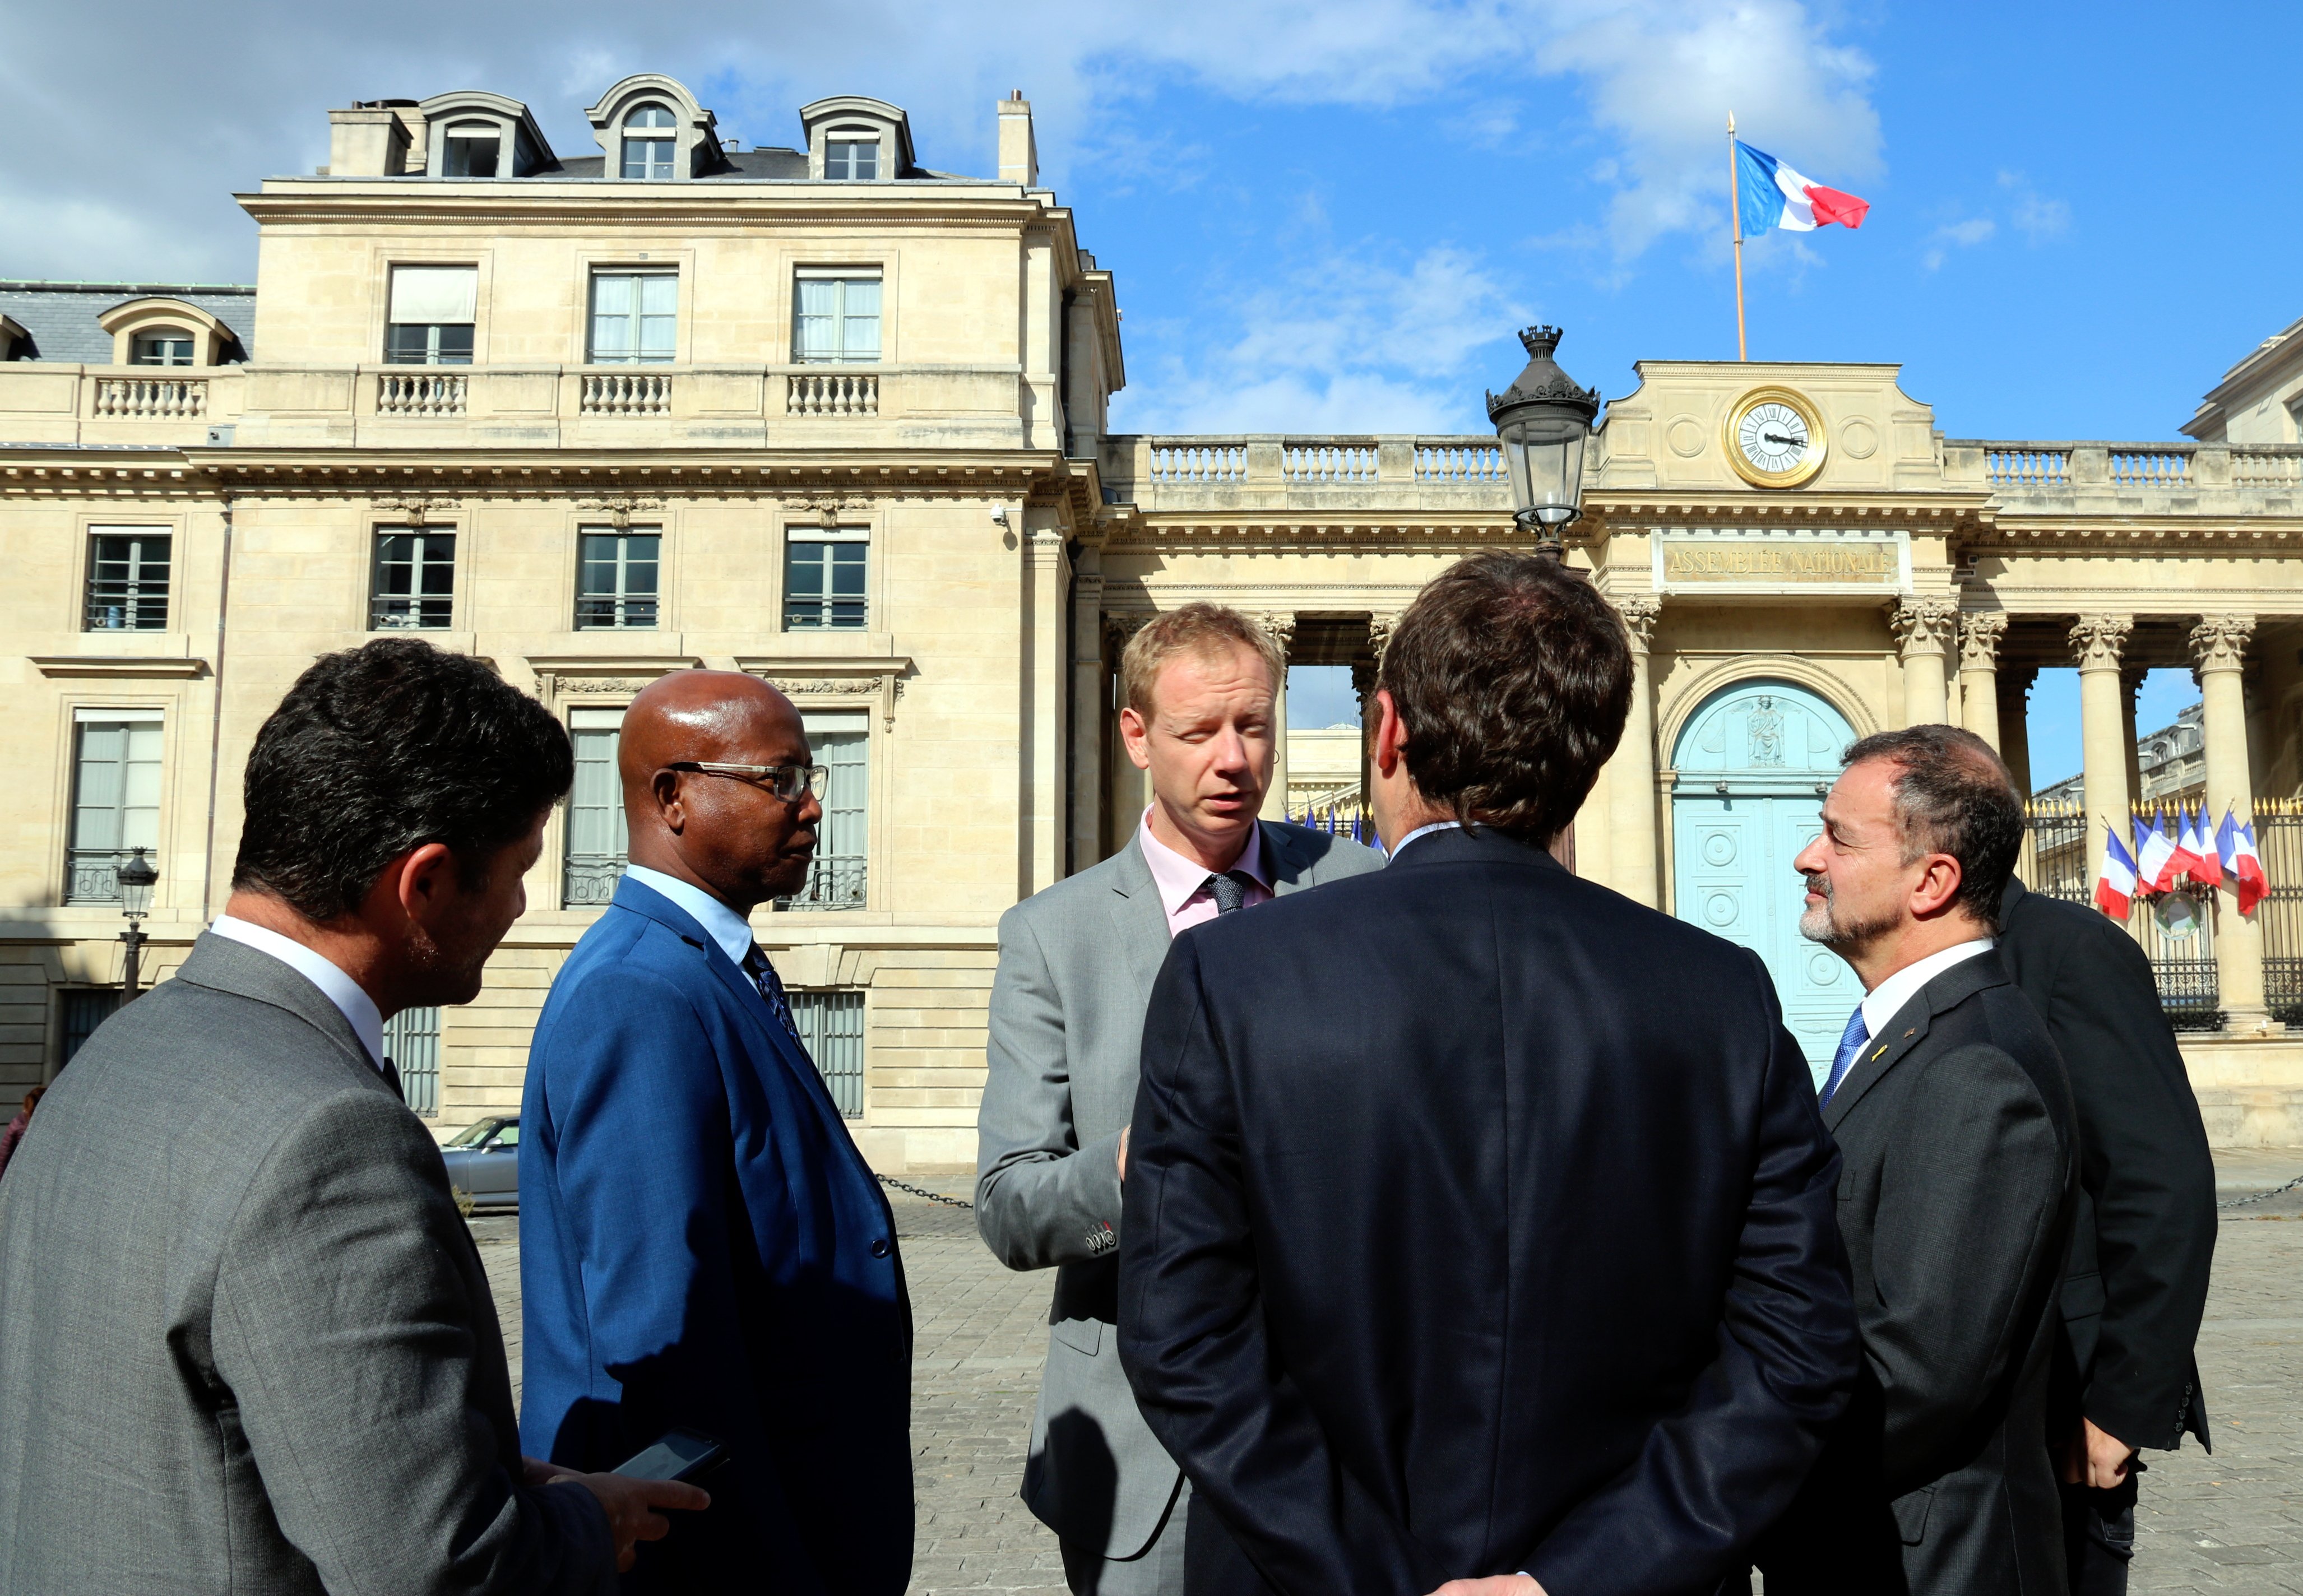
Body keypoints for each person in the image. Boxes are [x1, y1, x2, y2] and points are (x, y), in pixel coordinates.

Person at [1116, 553, 1860, 1596]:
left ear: (1386, 730)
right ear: (1592, 759)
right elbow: (1795, 1348)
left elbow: (1184, 1338)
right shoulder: (1720, 994)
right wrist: (1580, 1575)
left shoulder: (1231, 974)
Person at [0, 637, 703, 1595]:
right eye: (518, 868)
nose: (522, 905)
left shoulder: (112, 1052)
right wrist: (587, 1517)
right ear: (423, 883)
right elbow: (433, 1568)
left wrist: (493, 1480)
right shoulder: (330, 1138)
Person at [977, 603, 1381, 1596]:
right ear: (1134, 735)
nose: (1234, 758)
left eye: (1254, 726)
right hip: (1140, 1450)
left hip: (1348, 1437)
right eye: (1200, 732)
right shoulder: (1050, 935)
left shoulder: (1364, 885)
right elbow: (1009, 1204)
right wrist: (1132, 1165)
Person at [518, 670, 912, 1595]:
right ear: (674, 796)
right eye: (778, 780)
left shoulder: (708, 968)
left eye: (809, 776)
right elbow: (661, 1351)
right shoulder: (642, 993)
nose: (813, 805)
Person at [1758, 725, 2078, 1595]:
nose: (1805, 856)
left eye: (1839, 837)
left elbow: (1921, 1376)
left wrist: (1729, 1475)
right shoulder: (1915, 1033)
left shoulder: (1977, 1068)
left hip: (1927, 1560)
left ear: (1931, 882)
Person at [1996, 871, 2216, 1594]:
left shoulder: (2071, 950)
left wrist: (2120, 1409)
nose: (1812, 856)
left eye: (1841, 832)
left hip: (2065, 1419)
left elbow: (2161, 1184)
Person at [0, 1085, 43, 1183]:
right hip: (25, 1177)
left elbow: (3, 1157)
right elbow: (4, 1157)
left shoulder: (19, 1123)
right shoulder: (20, 1124)